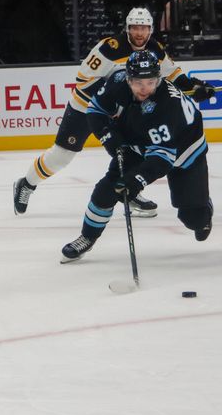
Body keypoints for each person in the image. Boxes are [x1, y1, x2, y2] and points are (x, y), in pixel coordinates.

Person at [12, 7, 215, 217]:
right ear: (127, 28)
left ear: (151, 30)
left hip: (123, 113)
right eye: (135, 27)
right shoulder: (110, 48)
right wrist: (109, 103)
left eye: (144, 28)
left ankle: (130, 192)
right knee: (61, 156)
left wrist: (195, 88)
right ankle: (27, 184)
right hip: (87, 107)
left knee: (134, 152)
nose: (139, 33)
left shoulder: (154, 49)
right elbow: (83, 81)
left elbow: (172, 75)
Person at [61, 50, 212, 262]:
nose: (145, 89)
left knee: (194, 219)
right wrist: (109, 138)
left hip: (185, 149)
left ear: (158, 79)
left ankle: (203, 206)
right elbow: (95, 111)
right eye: (139, 83)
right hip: (138, 141)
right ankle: (87, 237)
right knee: (107, 189)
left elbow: (162, 160)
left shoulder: (168, 105)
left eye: (150, 82)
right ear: (128, 79)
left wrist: (134, 181)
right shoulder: (117, 81)